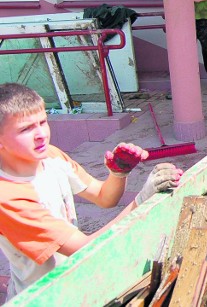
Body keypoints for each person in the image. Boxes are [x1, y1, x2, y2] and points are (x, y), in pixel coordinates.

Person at [0, 83, 183, 299]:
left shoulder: (51, 156)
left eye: (43, 122)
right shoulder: (8, 197)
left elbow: (104, 197)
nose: (41, 134)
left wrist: (118, 174)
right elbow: (86, 250)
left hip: (76, 283)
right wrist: (142, 198)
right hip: (45, 297)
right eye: (26, 129)